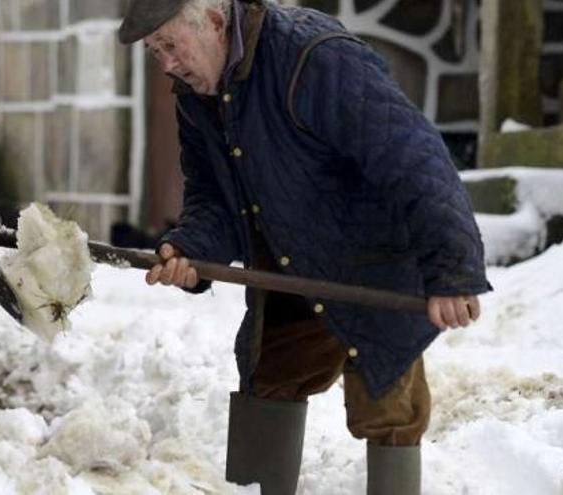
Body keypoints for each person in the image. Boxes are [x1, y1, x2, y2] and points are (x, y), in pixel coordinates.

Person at [119, 0, 491, 493]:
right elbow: (212, 195)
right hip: (290, 262)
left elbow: (414, 157)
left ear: (212, 22)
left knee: (389, 404)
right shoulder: (196, 92)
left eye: (170, 44)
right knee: (269, 372)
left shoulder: (315, 57)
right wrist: (191, 249)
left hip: (374, 259)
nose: (166, 63)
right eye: (153, 51)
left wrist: (453, 270)